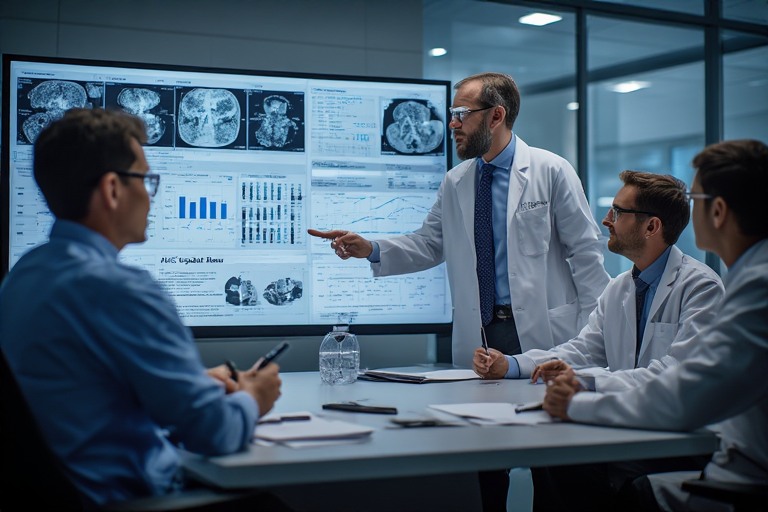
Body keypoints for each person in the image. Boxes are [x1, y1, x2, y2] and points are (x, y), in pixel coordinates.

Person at [0, 109, 284, 509]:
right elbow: (213, 433)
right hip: (130, 499)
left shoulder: (23, 277)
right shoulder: (121, 289)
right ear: (113, 190)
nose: (151, 196)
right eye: (147, 181)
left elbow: (79, 385)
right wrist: (254, 396)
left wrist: (190, 381)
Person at [308, 72, 610, 367]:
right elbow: (429, 244)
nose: (452, 123)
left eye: (462, 114)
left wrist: (595, 333)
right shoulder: (457, 181)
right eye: (453, 114)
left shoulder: (551, 171)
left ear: (496, 116)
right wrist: (370, 248)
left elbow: (585, 253)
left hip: (545, 329)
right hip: (481, 333)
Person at [544, 139, 768, 512]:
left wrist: (579, 403)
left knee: (577, 471)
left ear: (719, 211)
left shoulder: (752, 288)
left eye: (696, 199)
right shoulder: (751, 279)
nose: (607, 221)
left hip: (739, 482)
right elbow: (588, 349)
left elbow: (687, 394)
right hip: (730, 457)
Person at [473, 170, 724, 393]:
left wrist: (588, 381)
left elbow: (677, 371)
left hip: (677, 427)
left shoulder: (700, 288)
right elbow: (584, 349)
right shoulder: (619, 288)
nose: (606, 221)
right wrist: (511, 364)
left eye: (618, 212)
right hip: (621, 417)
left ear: (651, 227)